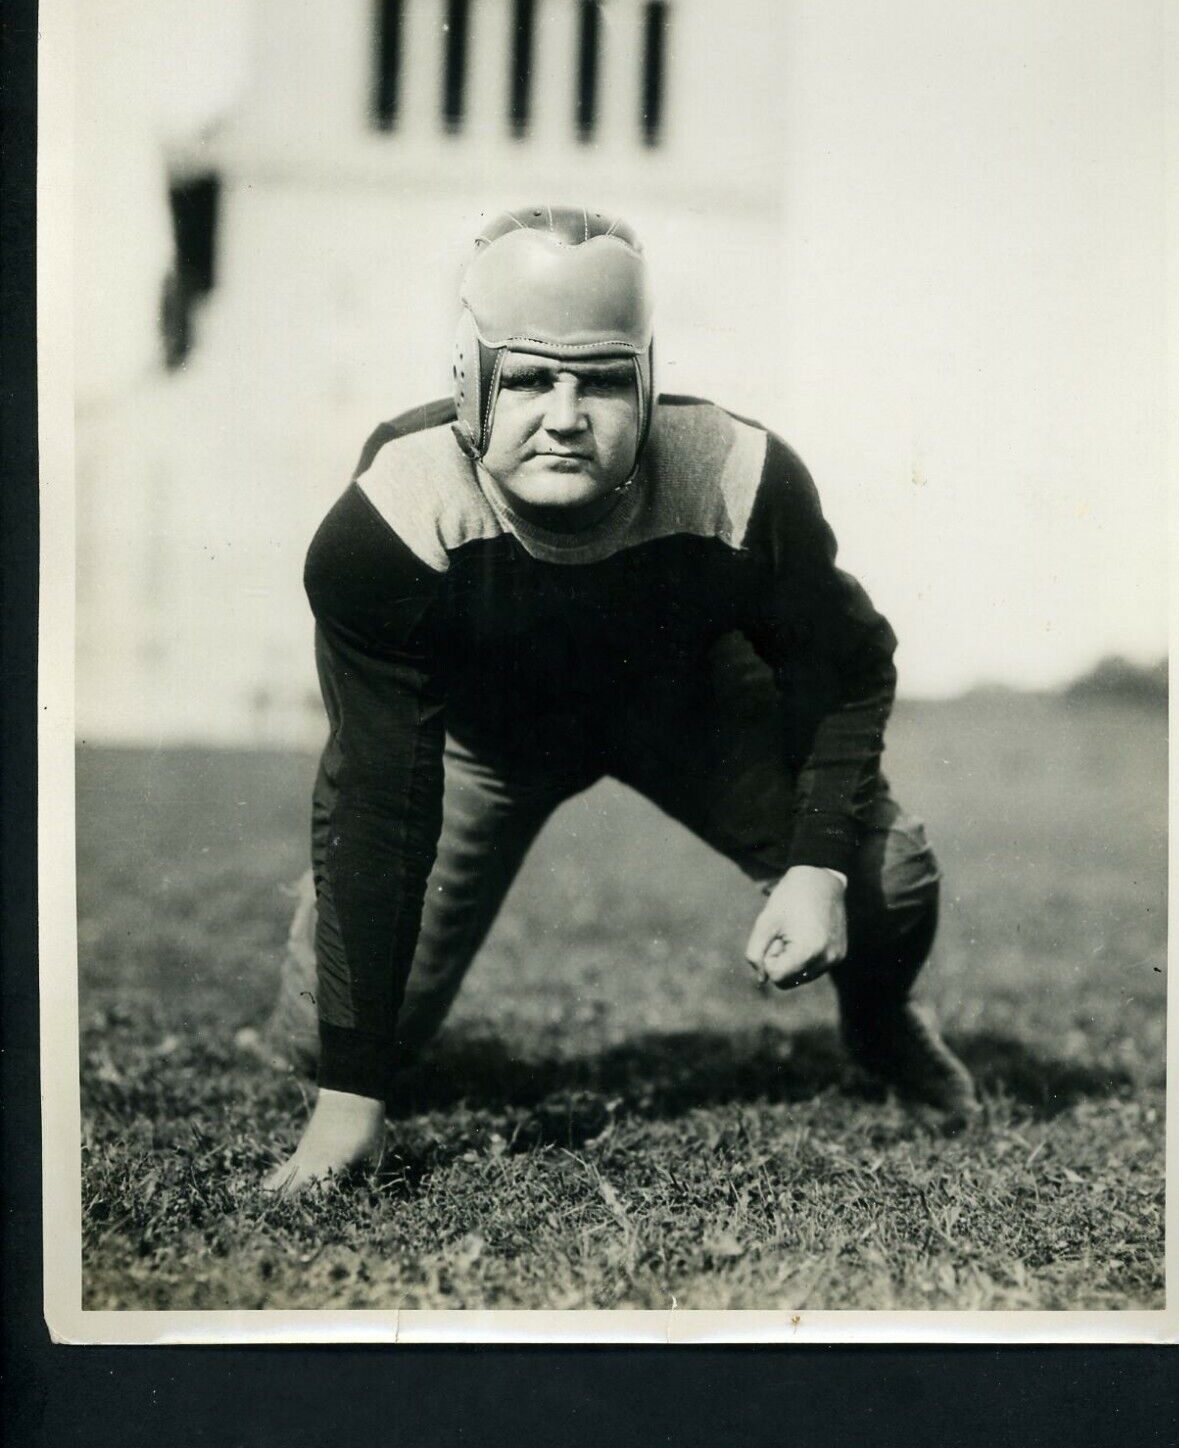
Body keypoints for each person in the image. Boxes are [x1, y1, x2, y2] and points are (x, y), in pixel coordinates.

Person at [259, 205, 978, 1194]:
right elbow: (379, 798)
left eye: (599, 378)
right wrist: (349, 1106)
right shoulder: (393, 515)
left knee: (886, 872)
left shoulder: (735, 475)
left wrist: (814, 865)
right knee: (317, 1043)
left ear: (646, 373)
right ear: (467, 375)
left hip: (687, 709)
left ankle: (880, 1020)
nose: (564, 415)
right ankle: (325, 963)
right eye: (527, 377)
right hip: (485, 740)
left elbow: (846, 670)